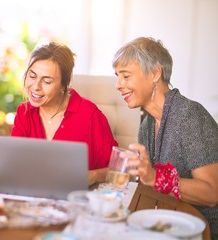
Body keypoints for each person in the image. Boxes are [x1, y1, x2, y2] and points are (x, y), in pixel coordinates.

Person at [113, 37, 218, 239]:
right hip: (166, 223)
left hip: (203, 231)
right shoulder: (148, 124)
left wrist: (154, 177)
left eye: (125, 76)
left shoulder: (190, 116)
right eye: (118, 76)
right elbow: (150, 185)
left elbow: (212, 193)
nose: (118, 85)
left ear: (154, 73)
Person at [11, 42, 118, 185]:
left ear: (63, 85)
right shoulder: (24, 112)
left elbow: (117, 170)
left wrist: (93, 176)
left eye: (47, 81)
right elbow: (15, 162)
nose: (35, 87)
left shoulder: (90, 115)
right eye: (32, 76)